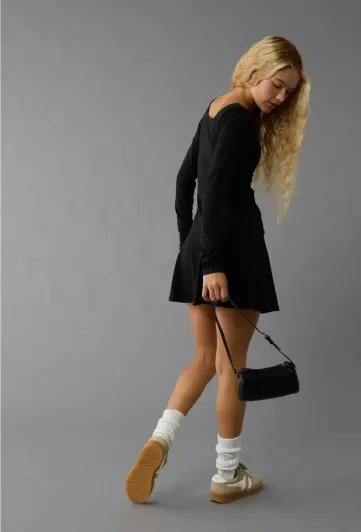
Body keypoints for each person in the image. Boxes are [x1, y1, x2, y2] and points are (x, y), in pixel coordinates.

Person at [125, 35, 310, 505]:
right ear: (255, 69)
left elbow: (183, 182)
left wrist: (190, 246)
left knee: (205, 359)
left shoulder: (216, 108)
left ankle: (161, 439)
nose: (281, 97)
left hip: (203, 250)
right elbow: (216, 191)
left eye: (289, 91)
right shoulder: (241, 121)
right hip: (231, 253)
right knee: (231, 368)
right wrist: (212, 263)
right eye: (276, 84)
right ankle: (227, 475)